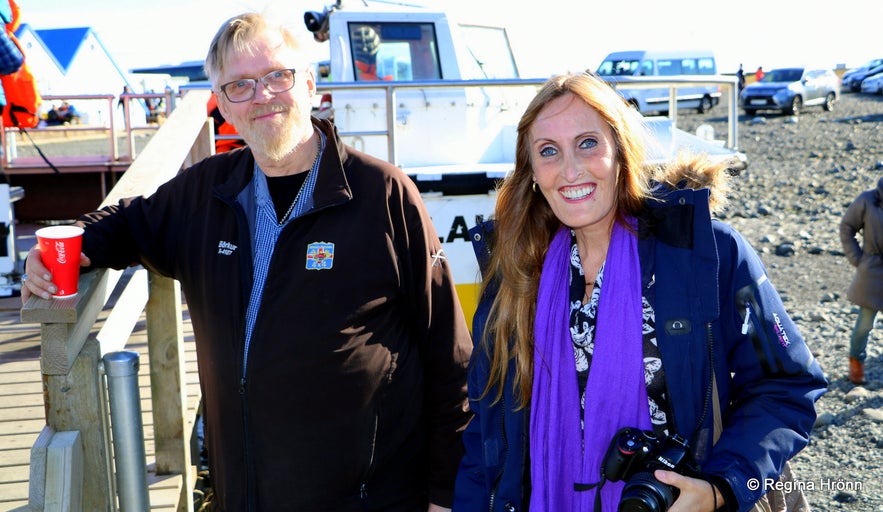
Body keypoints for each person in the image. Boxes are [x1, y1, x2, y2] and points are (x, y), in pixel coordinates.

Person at [21, 11, 472, 511]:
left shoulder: (382, 193)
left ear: (309, 84)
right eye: (239, 86)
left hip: (370, 498)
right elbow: (125, 223)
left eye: (278, 76)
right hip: (246, 493)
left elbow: (448, 353)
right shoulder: (205, 191)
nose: (262, 96)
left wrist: (444, 494)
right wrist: (55, 252)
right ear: (221, 105)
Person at [452, 73, 827, 511]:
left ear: (620, 151)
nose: (570, 169)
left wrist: (721, 488)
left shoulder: (705, 253)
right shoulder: (515, 277)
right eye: (548, 151)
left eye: (588, 143)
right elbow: (486, 434)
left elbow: (785, 384)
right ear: (533, 172)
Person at [839, 177, 883, 385]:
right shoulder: (867, 199)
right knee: (865, 324)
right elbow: (847, 227)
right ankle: (856, 366)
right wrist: (857, 258)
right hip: (873, 270)